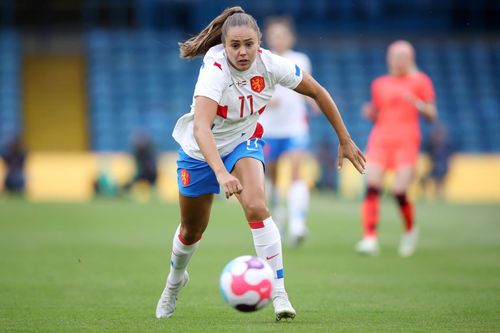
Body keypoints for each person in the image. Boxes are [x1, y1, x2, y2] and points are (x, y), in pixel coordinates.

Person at [155, 7, 365, 321]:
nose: (242, 52)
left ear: (259, 42)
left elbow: (318, 92)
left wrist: (344, 138)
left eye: (249, 44)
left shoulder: (271, 65)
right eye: (235, 45)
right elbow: (201, 128)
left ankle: (279, 293)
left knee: (256, 205)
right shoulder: (214, 69)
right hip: (201, 152)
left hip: (243, 140)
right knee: (191, 230)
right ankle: (174, 283)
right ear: (224, 46)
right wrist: (221, 173)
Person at [356, 40, 437, 257]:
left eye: (403, 57)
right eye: (395, 56)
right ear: (389, 59)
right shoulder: (380, 83)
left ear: (411, 59)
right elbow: (378, 112)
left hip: (407, 141)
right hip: (381, 139)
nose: (399, 61)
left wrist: (419, 104)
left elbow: (432, 115)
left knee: (399, 191)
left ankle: (410, 229)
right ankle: (370, 238)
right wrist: (370, 112)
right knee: (372, 187)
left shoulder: (421, 81)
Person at [259, 16, 319, 246]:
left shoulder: (300, 59)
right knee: (271, 178)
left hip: (295, 126)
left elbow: (308, 87)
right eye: (274, 35)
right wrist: (266, 101)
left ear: (291, 37)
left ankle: (297, 224)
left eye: (283, 34)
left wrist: (313, 102)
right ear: (268, 38)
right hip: (269, 129)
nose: (279, 39)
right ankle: (278, 214)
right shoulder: (262, 60)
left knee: (296, 172)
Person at [420, 122, 453, 201]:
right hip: (434, 165)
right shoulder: (432, 142)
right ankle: (426, 194)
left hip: (442, 165)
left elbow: (450, 155)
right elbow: (429, 154)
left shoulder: (446, 143)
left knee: (440, 179)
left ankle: (439, 194)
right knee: (425, 179)